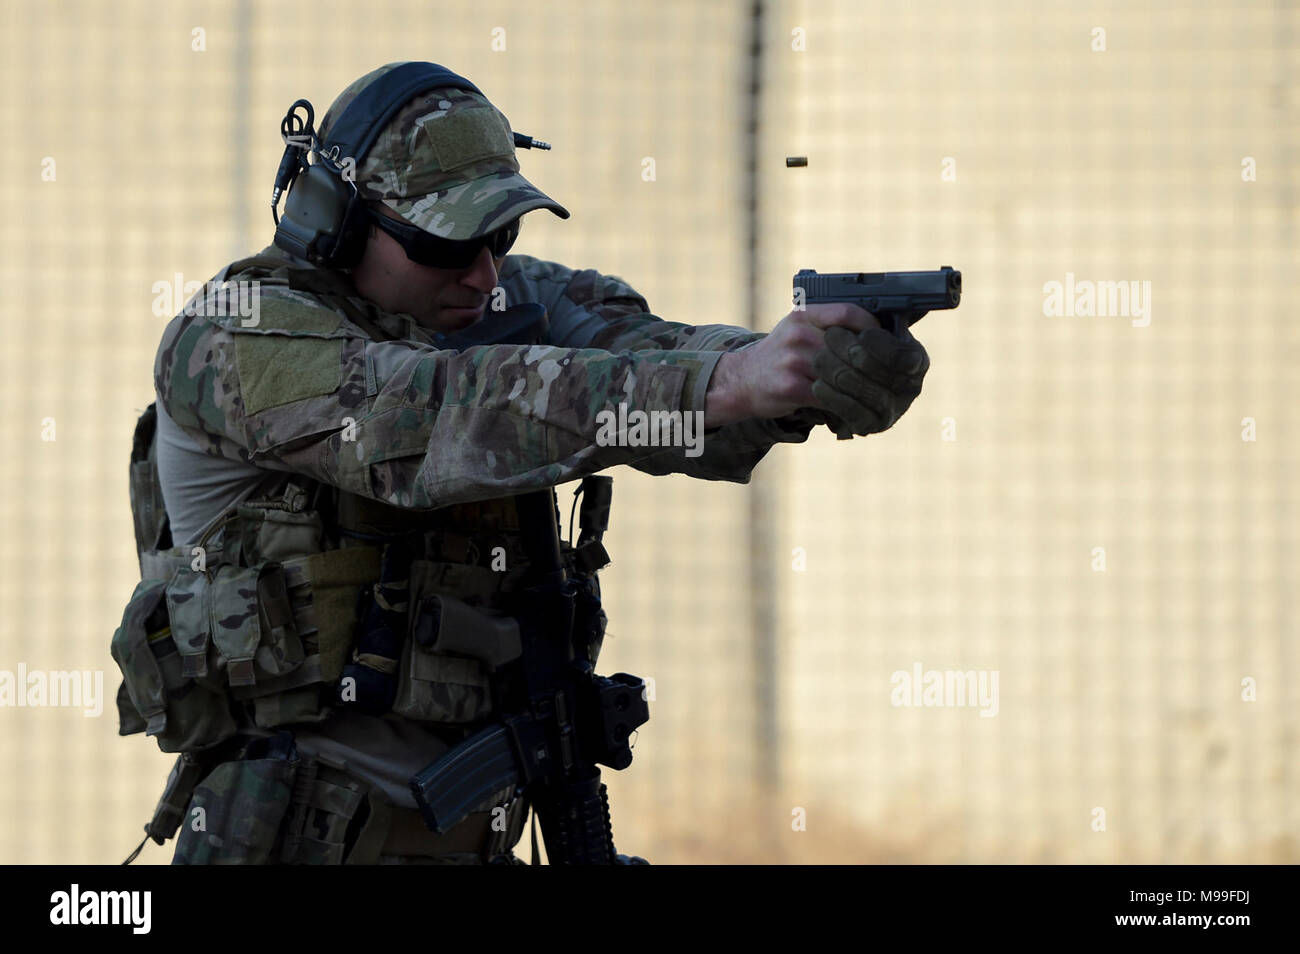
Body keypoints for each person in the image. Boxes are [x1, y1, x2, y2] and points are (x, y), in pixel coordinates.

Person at [111, 62, 930, 865]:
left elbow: (657, 355)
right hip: (292, 840)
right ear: (339, 220)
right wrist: (727, 381)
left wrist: (800, 373)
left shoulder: (494, 299)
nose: (483, 270)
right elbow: (428, 420)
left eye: (500, 234)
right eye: (447, 240)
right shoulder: (236, 334)